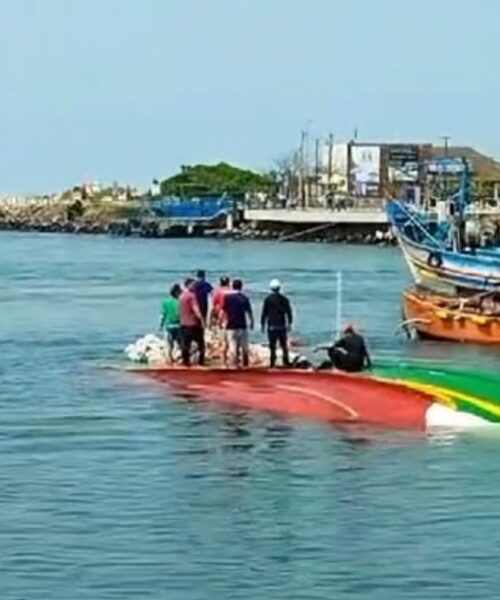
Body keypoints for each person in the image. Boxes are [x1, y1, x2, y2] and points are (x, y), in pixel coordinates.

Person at [261, 278, 293, 368]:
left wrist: (262, 324)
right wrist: (290, 323)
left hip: (271, 326)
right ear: (279, 288)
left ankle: (272, 363)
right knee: (284, 345)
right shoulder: (284, 299)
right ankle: (286, 362)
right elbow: (289, 312)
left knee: (272, 346)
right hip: (281, 325)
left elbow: (264, 313)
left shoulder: (268, 299)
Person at [222, 279, 254, 367]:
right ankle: (245, 366)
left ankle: (233, 365)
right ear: (241, 287)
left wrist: (221, 321)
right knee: (244, 348)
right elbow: (249, 312)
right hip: (242, 325)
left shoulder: (227, 298)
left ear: (233, 286)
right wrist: (252, 322)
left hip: (231, 325)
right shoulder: (244, 298)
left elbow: (223, 311)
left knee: (232, 348)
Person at [179, 278, 205, 366]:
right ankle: (201, 362)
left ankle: (185, 363)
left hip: (183, 324)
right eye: (193, 284)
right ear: (189, 285)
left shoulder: (181, 296)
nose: (194, 286)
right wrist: (202, 320)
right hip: (193, 324)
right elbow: (196, 310)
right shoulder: (191, 296)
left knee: (185, 345)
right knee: (201, 344)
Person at [159, 283, 182, 362]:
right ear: (177, 292)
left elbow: (162, 315)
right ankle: (180, 360)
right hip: (179, 326)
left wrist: (160, 326)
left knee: (169, 346)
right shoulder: (180, 302)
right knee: (180, 345)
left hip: (169, 327)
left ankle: (170, 361)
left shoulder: (165, 302)